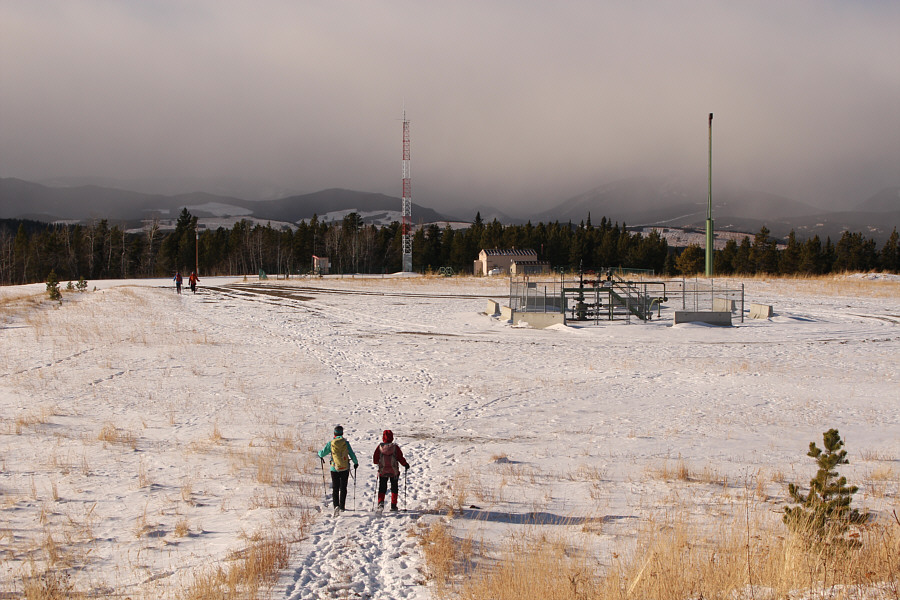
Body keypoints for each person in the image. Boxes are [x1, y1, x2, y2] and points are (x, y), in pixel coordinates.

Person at [317, 425, 358, 516]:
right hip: (345, 468)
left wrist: (319, 453)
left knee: (335, 487)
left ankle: (336, 506)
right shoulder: (345, 443)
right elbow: (351, 454)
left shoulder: (331, 443)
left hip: (334, 468)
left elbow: (322, 453)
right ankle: (342, 506)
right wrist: (355, 463)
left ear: (334, 433)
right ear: (342, 433)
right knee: (343, 487)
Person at [373, 429, 409, 512]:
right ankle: (393, 505)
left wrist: (380, 463)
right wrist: (405, 464)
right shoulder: (395, 447)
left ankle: (380, 503)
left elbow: (375, 460)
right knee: (394, 488)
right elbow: (400, 458)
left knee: (382, 488)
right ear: (392, 437)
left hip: (383, 471)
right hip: (394, 471)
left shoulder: (380, 447)